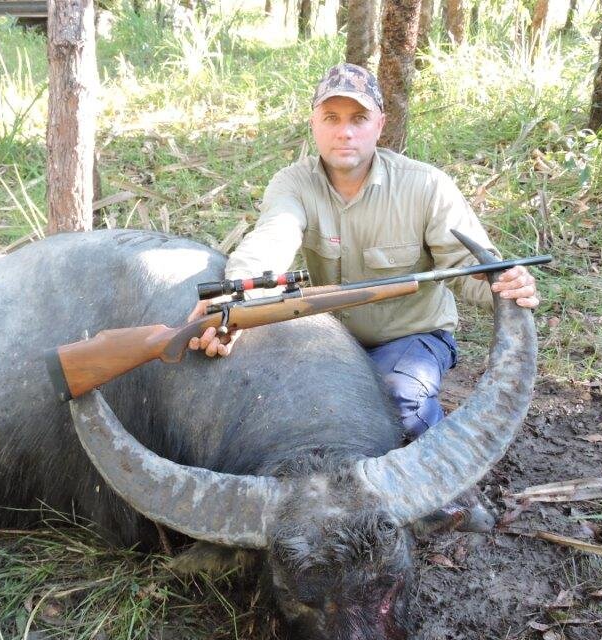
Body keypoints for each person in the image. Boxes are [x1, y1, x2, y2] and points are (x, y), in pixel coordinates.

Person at [189, 63, 539, 445]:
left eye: (359, 118)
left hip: (413, 336)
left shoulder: (426, 186)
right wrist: (233, 298)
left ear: (380, 124)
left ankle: (449, 490)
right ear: (314, 124)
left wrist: (505, 285)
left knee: (401, 407)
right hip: (328, 341)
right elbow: (271, 240)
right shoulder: (293, 183)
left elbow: (470, 266)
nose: (345, 131)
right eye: (331, 118)